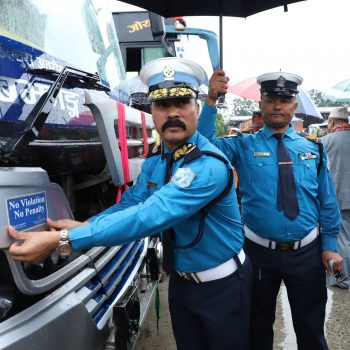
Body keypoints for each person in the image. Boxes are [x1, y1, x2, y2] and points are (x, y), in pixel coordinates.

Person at [8, 57, 252, 350]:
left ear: (197, 109)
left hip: (222, 287)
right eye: (163, 106)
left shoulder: (208, 166)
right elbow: (133, 204)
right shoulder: (158, 160)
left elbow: (149, 216)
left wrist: (63, 239)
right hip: (182, 284)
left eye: (182, 104)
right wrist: (87, 224)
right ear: (152, 112)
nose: (172, 113)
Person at [198, 69, 342, 350]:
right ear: (261, 103)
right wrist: (211, 100)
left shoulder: (313, 148)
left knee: (311, 329)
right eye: (272, 98)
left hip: (307, 254)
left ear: (294, 105)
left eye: (285, 100)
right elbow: (203, 146)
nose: (278, 105)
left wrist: (330, 244)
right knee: (256, 327)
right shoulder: (242, 144)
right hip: (258, 253)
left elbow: (327, 200)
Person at [321, 106, 350, 289]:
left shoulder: (324, 142)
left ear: (332, 123)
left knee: (343, 240)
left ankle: (344, 279)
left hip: (338, 197)